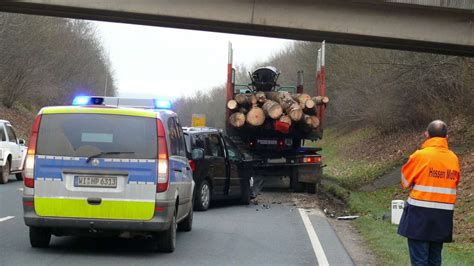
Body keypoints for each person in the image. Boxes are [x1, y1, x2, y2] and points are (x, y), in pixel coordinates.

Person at [398, 120, 461, 266]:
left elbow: (405, 182)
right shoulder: (453, 158)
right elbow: (455, 182)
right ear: (446, 137)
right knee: (435, 260)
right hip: (443, 217)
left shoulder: (420, 156)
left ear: (427, 135)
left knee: (420, 260)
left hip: (419, 216)